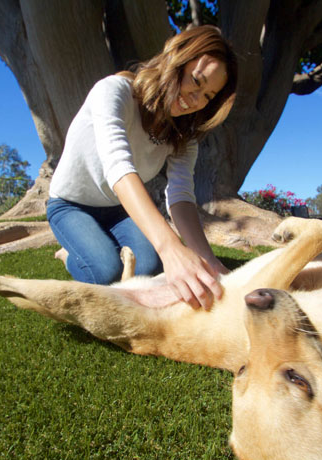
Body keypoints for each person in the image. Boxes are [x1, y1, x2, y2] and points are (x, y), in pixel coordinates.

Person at [47, 25, 238, 311]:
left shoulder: (184, 137)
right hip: (71, 205)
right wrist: (171, 247)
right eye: (196, 82)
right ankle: (68, 255)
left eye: (208, 96)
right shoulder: (113, 92)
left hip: (118, 209)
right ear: (176, 60)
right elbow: (118, 166)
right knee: (108, 273)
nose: (196, 100)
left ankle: (98, 243)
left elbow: (181, 196)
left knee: (148, 267)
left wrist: (206, 259)